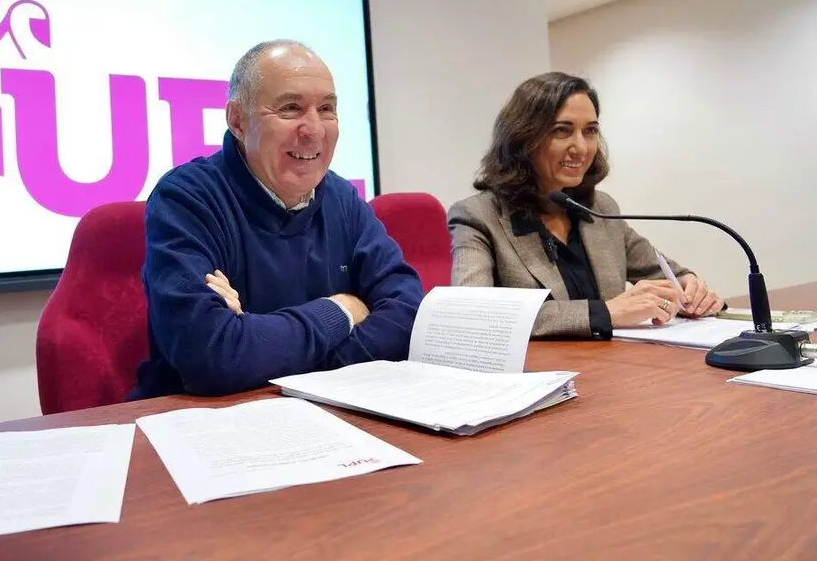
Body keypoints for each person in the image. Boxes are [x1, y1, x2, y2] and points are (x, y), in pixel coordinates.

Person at [130, 40, 423, 399]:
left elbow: (408, 314)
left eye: (327, 108)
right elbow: (213, 356)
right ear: (237, 120)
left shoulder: (341, 198)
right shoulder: (187, 199)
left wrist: (271, 352)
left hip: (325, 414)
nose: (314, 129)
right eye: (290, 108)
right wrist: (342, 310)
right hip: (204, 425)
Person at [447, 72, 724, 339]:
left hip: (615, 366)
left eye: (590, 131)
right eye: (561, 131)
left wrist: (690, 287)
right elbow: (474, 313)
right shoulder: (478, 217)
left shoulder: (599, 207)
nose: (581, 147)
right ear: (523, 139)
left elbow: (664, 272)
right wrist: (602, 313)